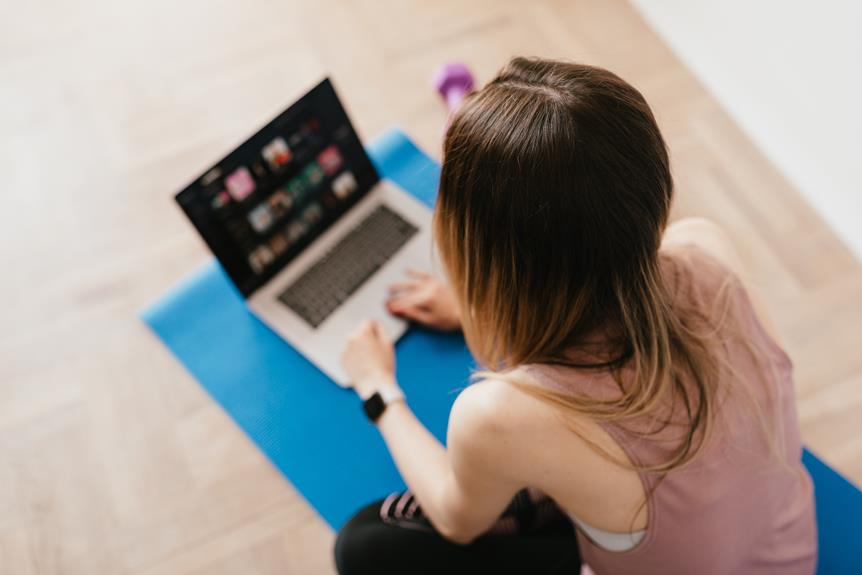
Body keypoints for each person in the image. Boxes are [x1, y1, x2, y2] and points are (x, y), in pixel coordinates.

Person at [334, 57, 817, 575]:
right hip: (786, 556)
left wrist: (378, 389)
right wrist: (481, 305)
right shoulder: (706, 246)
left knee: (365, 543)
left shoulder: (498, 415)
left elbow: (457, 521)